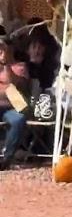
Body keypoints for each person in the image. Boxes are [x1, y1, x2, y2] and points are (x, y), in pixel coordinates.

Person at [0, 38, 30, 171]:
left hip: (11, 108)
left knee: (19, 119)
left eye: (3, 49)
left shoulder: (20, 67)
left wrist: (6, 63)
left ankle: (6, 159)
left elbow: (11, 83)